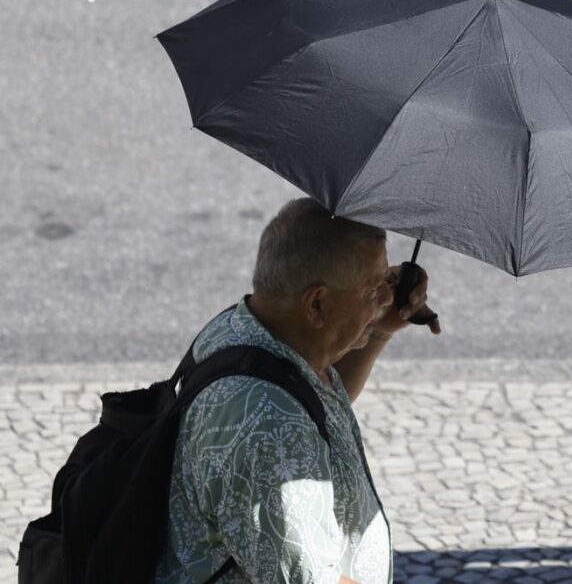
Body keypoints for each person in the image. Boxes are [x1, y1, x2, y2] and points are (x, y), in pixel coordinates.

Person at [155, 198, 438, 584]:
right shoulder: (267, 429)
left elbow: (315, 411)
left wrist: (377, 328)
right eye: (374, 289)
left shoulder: (248, 330)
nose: (387, 298)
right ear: (317, 304)